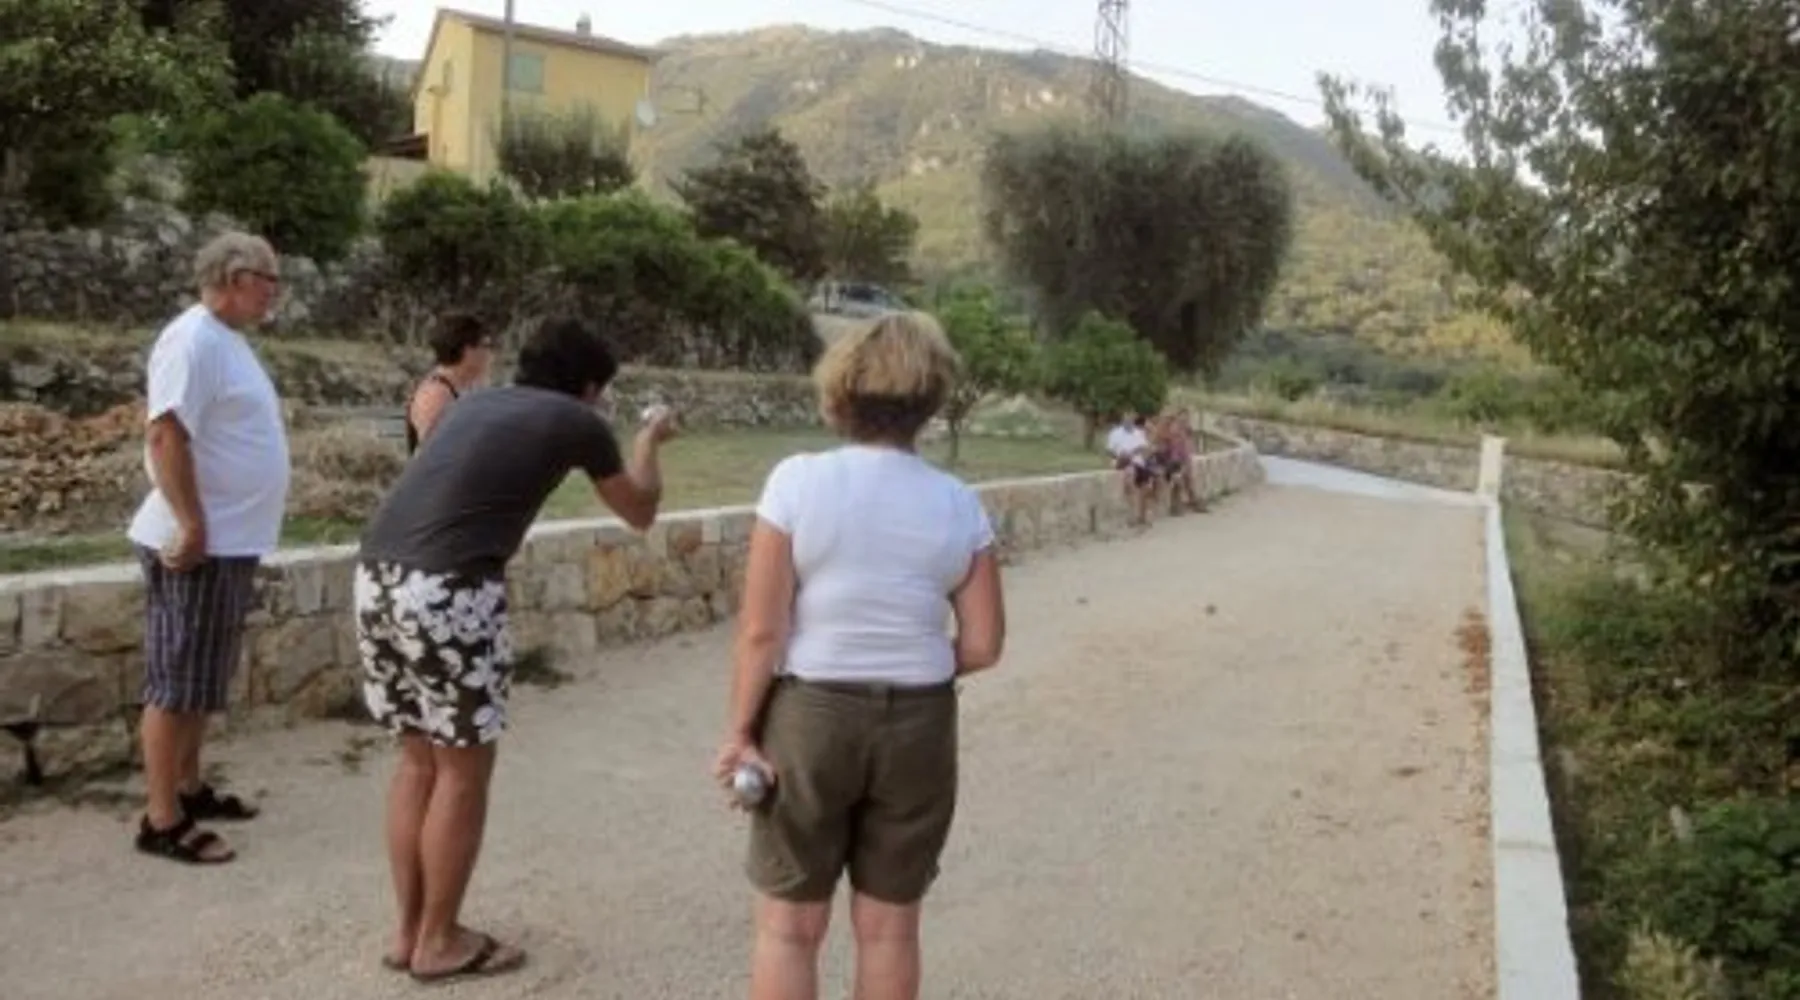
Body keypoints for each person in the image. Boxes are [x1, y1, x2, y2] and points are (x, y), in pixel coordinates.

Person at [353, 316, 677, 984]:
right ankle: (440, 942)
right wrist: (648, 440)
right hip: (449, 588)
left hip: (377, 574)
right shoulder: (578, 420)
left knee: (417, 763)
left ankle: (408, 932)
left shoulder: (475, 403)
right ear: (589, 385)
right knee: (463, 772)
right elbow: (640, 510)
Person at [713, 310, 1008, 1000]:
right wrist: (915, 660)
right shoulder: (959, 503)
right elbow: (983, 644)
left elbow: (762, 631)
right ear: (930, 400)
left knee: (789, 928)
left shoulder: (797, 482)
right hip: (919, 723)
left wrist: (740, 733)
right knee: (889, 930)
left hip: (811, 717)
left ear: (841, 389)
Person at [128, 231, 289, 867]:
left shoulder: (225, 341)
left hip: (226, 541)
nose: (275, 291)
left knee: (199, 678)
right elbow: (166, 435)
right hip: (198, 541)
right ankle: (161, 818)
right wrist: (191, 523)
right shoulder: (192, 340)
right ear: (234, 277)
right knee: (175, 681)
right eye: (268, 279)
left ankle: (188, 788)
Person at [405, 311, 496, 454]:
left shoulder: (470, 387)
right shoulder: (435, 395)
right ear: (467, 350)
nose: (490, 354)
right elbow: (436, 452)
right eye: (486, 346)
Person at [1103, 412, 1158, 526]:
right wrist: (1120, 456)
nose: (1128, 419)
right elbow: (1109, 451)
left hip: (1138, 462)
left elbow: (1145, 449)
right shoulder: (1115, 433)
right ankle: (1133, 514)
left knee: (1147, 485)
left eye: (1131, 417)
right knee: (1130, 478)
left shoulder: (1139, 433)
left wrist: (1136, 452)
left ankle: (1143, 515)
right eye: (1126, 417)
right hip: (1122, 462)